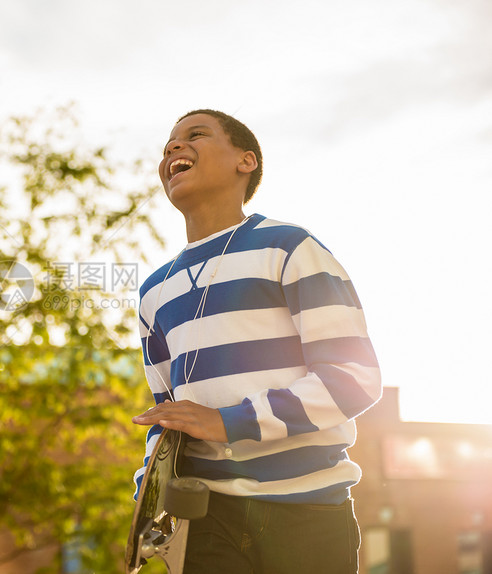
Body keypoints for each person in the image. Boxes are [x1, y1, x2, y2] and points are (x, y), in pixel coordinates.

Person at [131, 109, 381, 573]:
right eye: (168, 143)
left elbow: (354, 379)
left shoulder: (289, 247)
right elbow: (167, 418)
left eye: (195, 135)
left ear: (245, 162)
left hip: (307, 512)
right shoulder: (153, 293)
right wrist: (148, 500)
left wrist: (229, 421)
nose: (173, 148)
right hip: (205, 521)